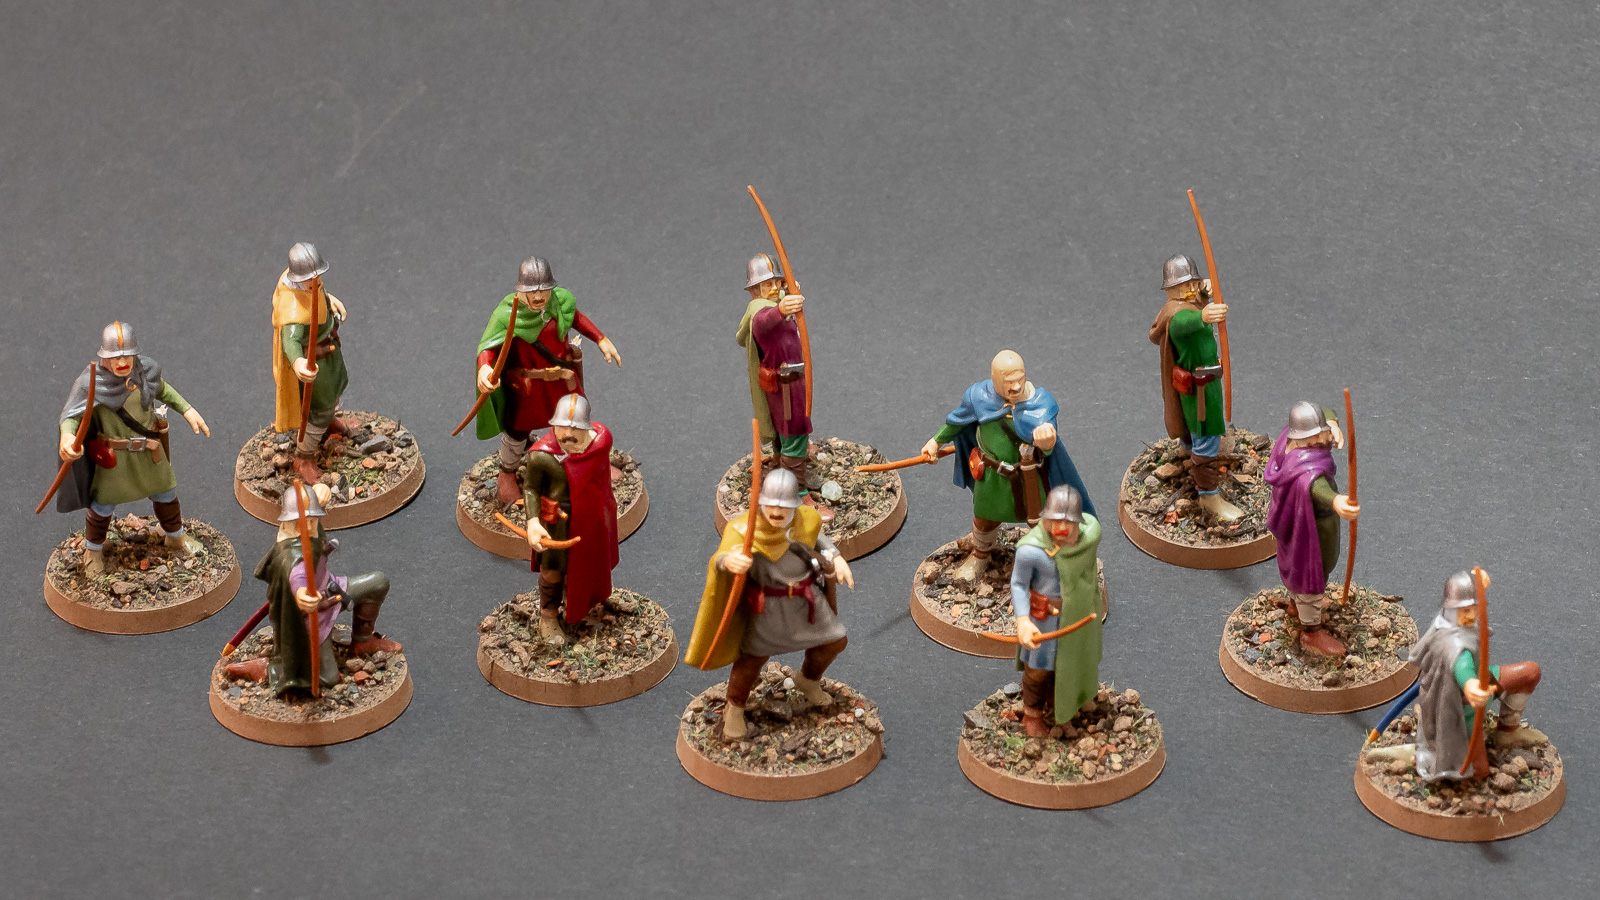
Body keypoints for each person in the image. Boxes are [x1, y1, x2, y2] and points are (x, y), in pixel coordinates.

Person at [683, 469, 855, 740]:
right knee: (752, 660)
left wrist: (836, 557)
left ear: (794, 506)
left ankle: (808, 680)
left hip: (805, 601)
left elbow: (819, 537)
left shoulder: (805, 519)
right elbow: (721, 558)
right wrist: (728, 561)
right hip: (768, 609)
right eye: (771, 505)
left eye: (783, 507)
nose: (776, 512)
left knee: (835, 641)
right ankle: (734, 707)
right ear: (760, 503)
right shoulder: (743, 530)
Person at [920, 350, 1095, 582]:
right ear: (994, 380)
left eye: (1019, 379)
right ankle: (980, 554)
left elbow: (1049, 441)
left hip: (1029, 476)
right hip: (993, 476)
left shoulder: (1041, 403)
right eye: (1008, 382)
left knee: (1041, 520)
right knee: (985, 516)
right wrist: (935, 442)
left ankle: (1047, 561)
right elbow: (957, 421)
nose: (1016, 386)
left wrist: (1046, 440)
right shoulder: (978, 397)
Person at [55, 321, 211, 576]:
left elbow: (164, 390)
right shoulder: (91, 383)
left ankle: (176, 537)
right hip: (115, 459)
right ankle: (93, 551)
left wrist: (187, 409)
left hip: (149, 452)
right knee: (103, 505)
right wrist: (67, 437)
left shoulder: (145, 372)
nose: (121, 362)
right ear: (104, 357)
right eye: (115, 356)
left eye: (127, 355)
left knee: (166, 491)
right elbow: (72, 415)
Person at [224, 483, 401, 696]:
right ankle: (270, 669)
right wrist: (301, 595)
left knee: (378, 583)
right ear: (286, 523)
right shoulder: (291, 554)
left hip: (332, 588)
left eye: (312, 520)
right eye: (301, 522)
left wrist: (319, 490)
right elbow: (296, 576)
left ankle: (362, 641)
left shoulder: (310, 526)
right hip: (311, 617)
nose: (308, 527)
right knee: (328, 678)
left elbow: (312, 509)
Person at [474, 256, 621, 505]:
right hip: (529, 387)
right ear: (521, 290)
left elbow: (577, 319)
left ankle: (589, 463)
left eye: (543, 289)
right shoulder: (506, 315)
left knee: (576, 418)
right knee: (518, 429)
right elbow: (488, 346)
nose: (539, 296)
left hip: (562, 380)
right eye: (532, 290)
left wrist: (600, 338)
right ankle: (507, 474)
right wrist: (484, 368)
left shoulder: (559, 302)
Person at [1411, 571, 1542, 781]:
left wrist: (1478, 585)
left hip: (1486, 681)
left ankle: (1508, 730)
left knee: (1530, 673)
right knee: (1480, 770)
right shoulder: (1453, 642)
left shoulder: (1452, 621)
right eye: (1465, 610)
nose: (1471, 615)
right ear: (1451, 609)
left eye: (1475, 608)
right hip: (1463, 709)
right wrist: (1471, 686)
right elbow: (1461, 666)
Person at [519, 393, 620, 647]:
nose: (568, 434)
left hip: (591, 519)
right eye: (562, 427)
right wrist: (533, 522)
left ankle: (586, 598)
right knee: (553, 570)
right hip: (558, 524)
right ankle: (548, 616)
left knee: (590, 561)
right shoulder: (542, 457)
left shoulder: (601, 442)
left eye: (575, 428)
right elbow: (531, 489)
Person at [1263, 402, 1359, 656]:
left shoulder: (1289, 439)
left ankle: (1296, 605)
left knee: (1303, 576)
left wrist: (1332, 424)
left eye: (1323, 432)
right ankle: (1311, 631)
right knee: (1312, 578)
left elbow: (1323, 411)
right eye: (1319, 435)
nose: (1325, 439)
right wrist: (1337, 501)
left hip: (1302, 527)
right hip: (1311, 535)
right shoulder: (1306, 470)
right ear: (1305, 438)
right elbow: (1317, 488)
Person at [1148, 254, 1238, 521]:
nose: (1191, 288)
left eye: (1193, 282)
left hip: (1203, 383)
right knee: (1207, 434)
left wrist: (1205, 292)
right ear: (1171, 290)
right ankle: (1208, 496)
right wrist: (1204, 315)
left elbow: (1195, 303)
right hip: (1201, 390)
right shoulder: (1176, 316)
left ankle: (1189, 449)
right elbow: (1185, 322)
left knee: (1194, 430)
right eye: (1184, 285)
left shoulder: (1187, 303)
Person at [1009, 486, 1105, 737]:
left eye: (1069, 522)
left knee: (1073, 661)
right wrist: (1023, 621)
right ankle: (1032, 714)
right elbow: (1018, 584)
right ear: (1046, 518)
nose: (1062, 528)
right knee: (1038, 669)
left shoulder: (1087, 540)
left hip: (1076, 616)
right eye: (1055, 520)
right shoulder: (1031, 551)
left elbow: (1092, 529)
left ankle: (1067, 701)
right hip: (1045, 621)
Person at [737, 253, 818, 504]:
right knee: (794, 430)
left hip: (788, 383)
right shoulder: (759, 313)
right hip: (786, 388)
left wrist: (788, 295)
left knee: (783, 432)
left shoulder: (773, 303)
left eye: (777, 282)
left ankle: (779, 465)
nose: (774, 288)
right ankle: (798, 494)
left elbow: (779, 306)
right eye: (767, 284)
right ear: (755, 290)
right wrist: (783, 308)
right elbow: (765, 320)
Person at [270, 242, 352, 484]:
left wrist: (329, 300)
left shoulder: (310, 286)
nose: (316, 282)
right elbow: (291, 339)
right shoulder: (292, 308)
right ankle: (303, 458)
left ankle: (329, 422)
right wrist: (297, 363)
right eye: (310, 279)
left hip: (330, 355)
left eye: (318, 277)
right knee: (318, 409)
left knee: (337, 389)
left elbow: (316, 296)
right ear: (299, 279)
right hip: (315, 364)